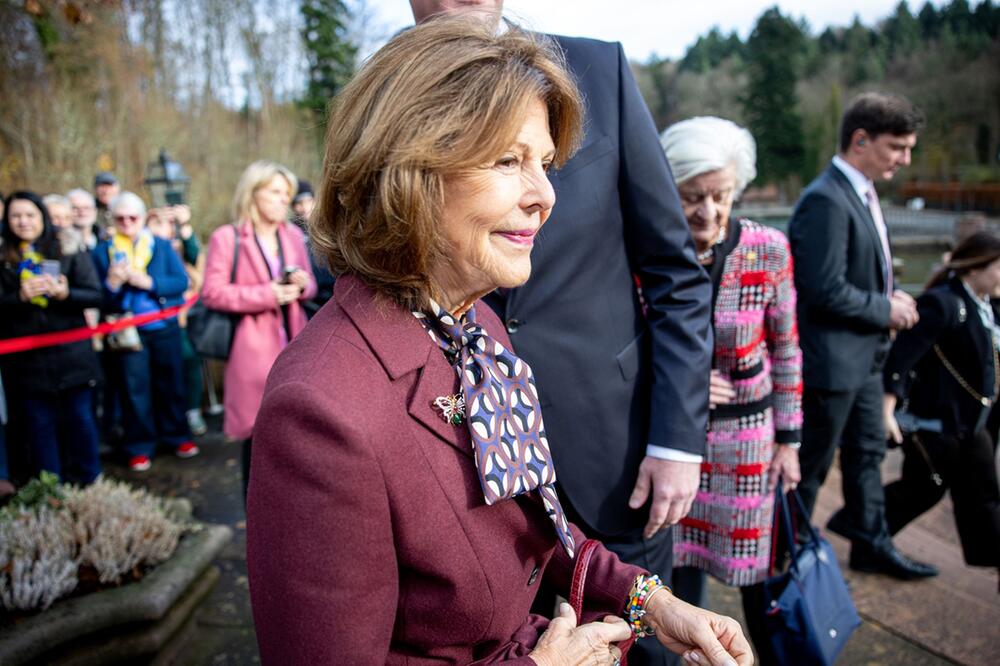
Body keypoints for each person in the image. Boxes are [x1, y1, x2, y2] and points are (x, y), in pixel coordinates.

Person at [248, 18, 751, 666]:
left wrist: (648, 600)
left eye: (543, 163)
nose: (545, 196)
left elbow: (535, 533)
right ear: (409, 168)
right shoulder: (320, 414)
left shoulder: (471, 326)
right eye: (508, 161)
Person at [410, 10, 712, 664]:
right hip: (469, 468)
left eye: (546, 163)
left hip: (616, 459)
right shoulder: (396, 94)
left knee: (650, 649)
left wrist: (678, 438)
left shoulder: (596, 69)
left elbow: (674, 273)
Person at [660, 117, 802, 662]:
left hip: (748, 439)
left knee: (754, 571)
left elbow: (787, 349)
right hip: (676, 442)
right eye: (692, 197)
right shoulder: (654, 252)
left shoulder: (769, 249)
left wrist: (789, 442)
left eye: (720, 196)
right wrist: (686, 381)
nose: (708, 212)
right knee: (678, 570)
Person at [788, 92, 937, 579]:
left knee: (868, 458)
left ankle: (871, 545)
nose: (904, 159)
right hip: (831, 367)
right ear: (860, 140)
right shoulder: (824, 200)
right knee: (808, 472)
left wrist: (892, 303)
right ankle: (783, 566)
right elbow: (820, 288)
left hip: (868, 361)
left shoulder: (862, 192)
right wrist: (886, 309)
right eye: (897, 147)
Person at [873, 231, 1000, 572]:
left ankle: (989, 555)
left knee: (983, 492)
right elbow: (902, 357)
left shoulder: (988, 305)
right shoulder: (944, 302)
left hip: (972, 421)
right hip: (938, 421)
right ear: (977, 267)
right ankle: (864, 531)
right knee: (925, 488)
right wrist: (887, 409)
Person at [200, 161, 316, 498]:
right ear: (254, 193)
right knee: (257, 436)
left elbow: (310, 287)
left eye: (287, 194)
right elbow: (212, 292)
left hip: (295, 342)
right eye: (276, 192)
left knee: (295, 432)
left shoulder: (293, 235)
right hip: (251, 350)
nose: (285, 200)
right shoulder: (227, 237)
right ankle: (256, 518)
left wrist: (300, 284)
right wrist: (267, 294)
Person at [0, 191, 103, 485]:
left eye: (30, 215)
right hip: (26, 364)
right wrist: (17, 297)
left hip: (72, 358)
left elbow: (96, 295)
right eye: (16, 216)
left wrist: (65, 294)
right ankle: (51, 490)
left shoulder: (68, 246)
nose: (23, 222)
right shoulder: (3, 255)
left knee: (81, 422)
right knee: (40, 427)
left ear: (41, 217)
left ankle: (92, 486)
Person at [92, 191, 197, 471]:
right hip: (127, 334)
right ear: (112, 219)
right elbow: (96, 298)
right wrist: (112, 284)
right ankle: (139, 445)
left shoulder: (161, 246)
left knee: (171, 383)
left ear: (141, 218)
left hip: (163, 327)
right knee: (134, 390)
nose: (127, 222)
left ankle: (177, 435)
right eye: (120, 218)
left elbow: (180, 282)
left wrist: (149, 282)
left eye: (133, 217)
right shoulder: (101, 253)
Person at [146, 205, 208, 436]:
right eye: (157, 222)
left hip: (189, 314)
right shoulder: (144, 247)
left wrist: (184, 226)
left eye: (167, 223)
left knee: (191, 360)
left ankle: (192, 410)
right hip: (161, 318)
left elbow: (194, 255)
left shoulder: (178, 246)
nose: (164, 228)